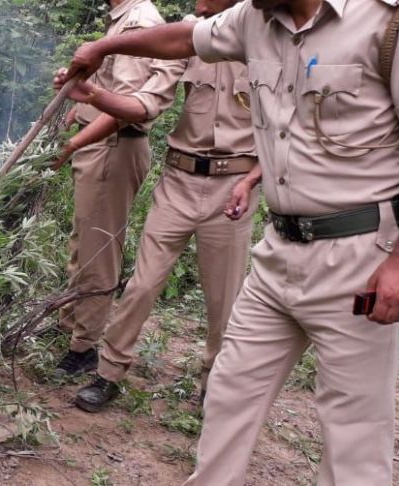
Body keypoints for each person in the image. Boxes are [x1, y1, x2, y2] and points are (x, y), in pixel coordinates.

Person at [60, 0, 399, 484]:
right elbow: (181, 38)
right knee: (228, 393)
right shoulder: (256, 18)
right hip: (277, 249)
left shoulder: (395, 17)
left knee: (354, 438)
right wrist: (102, 46)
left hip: (358, 255)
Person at [54, 0, 261, 412]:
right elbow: (145, 105)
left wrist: (255, 178)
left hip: (233, 185)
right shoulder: (187, 36)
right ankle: (108, 373)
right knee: (142, 284)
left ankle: (213, 385)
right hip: (179, 178)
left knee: (224, 299)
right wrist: (92, 95)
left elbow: (289, 125)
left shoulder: (267, 36)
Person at [54, 0, 182, 379]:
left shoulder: (138, 22)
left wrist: (73, 145)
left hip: (112, 147)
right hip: (100, 144)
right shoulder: (122, 21)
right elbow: (108, 92)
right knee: (83, 240)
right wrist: (81, 104)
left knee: (97, 251)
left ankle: (83, 348)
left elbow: (124, 108)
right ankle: (72, 323)